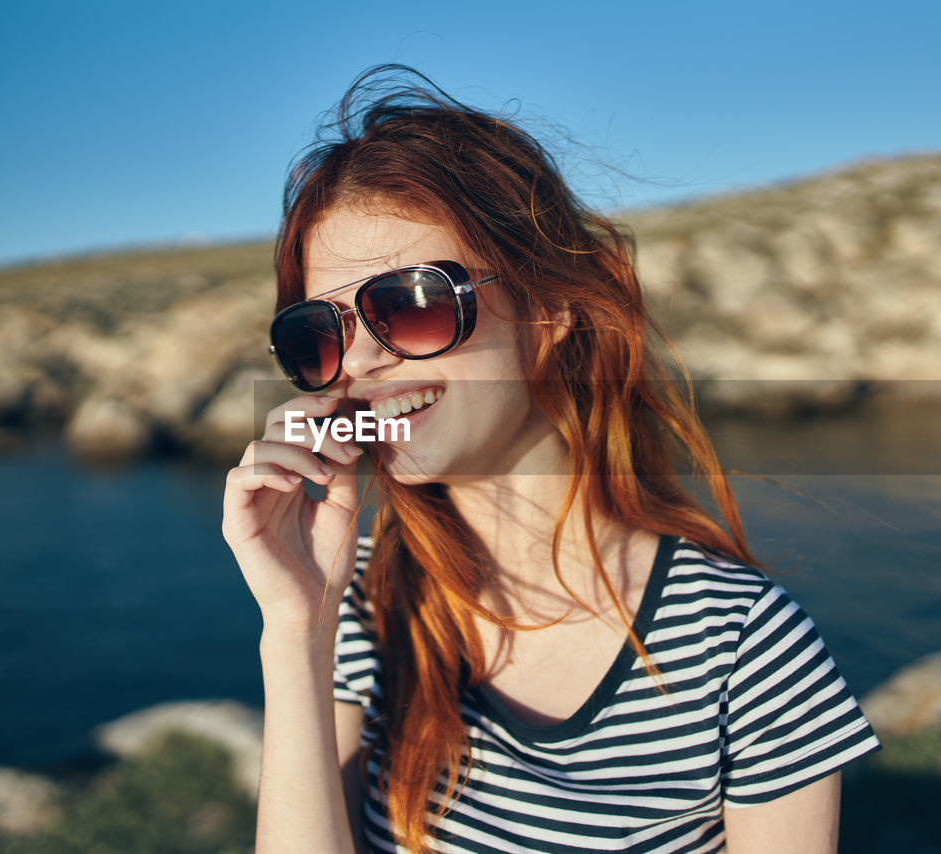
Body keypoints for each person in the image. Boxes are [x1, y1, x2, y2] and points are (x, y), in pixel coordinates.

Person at [222, 65, 882, 854]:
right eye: (319, 334)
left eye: (411, 303)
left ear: (554, 312)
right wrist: (297, 627)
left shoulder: (740, 645)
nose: (358, 362)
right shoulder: (364, 599)